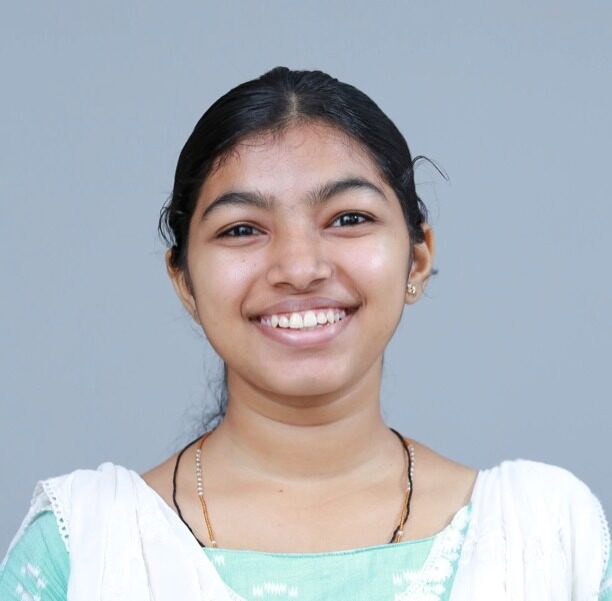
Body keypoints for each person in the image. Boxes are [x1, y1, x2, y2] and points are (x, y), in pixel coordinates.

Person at [1, 66, 610, 601]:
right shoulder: (85, 549)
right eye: (242, 229)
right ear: (184, 279)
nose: (299, 267)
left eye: (349, 218)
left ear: (417, 258)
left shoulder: (550, 539)